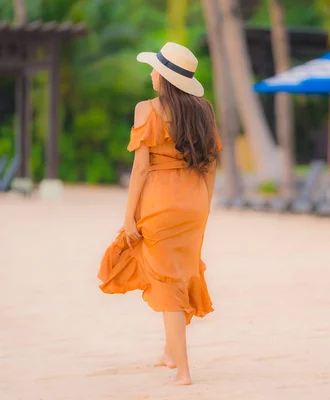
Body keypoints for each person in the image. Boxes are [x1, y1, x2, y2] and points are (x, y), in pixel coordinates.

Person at [97, 42, 221, 386]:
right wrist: (204, 205)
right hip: (194, 202)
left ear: (164, 77)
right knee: (177, 272)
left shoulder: (146, 109)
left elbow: (140, 169)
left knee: (167, 281)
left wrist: (128, 216)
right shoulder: (203, 111)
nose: (152, 73)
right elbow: (210, 165)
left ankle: (183, 371)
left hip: (160, 201)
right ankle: (170, 353)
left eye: (155, 69)